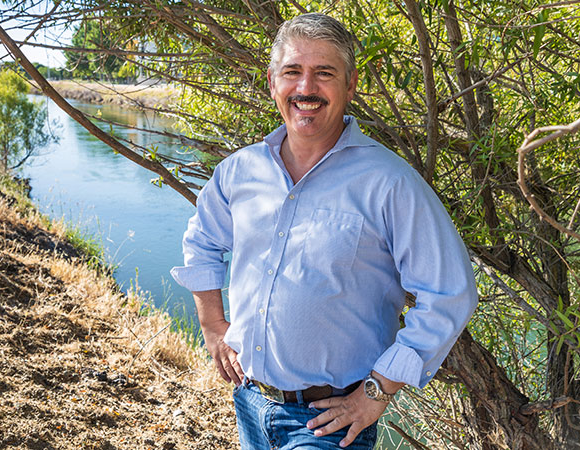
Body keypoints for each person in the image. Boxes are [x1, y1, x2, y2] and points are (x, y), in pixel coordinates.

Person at [171, 12, 478, 449]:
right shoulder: (240, 172)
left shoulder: (390, 182)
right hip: (250, 402)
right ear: (273, 81)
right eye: (292, 72)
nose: (306, 88)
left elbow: (450, 292)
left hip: (329, 423)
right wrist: (212, 325)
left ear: (351, 85)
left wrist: (378, 390)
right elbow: (201, 243)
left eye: (324, 74)